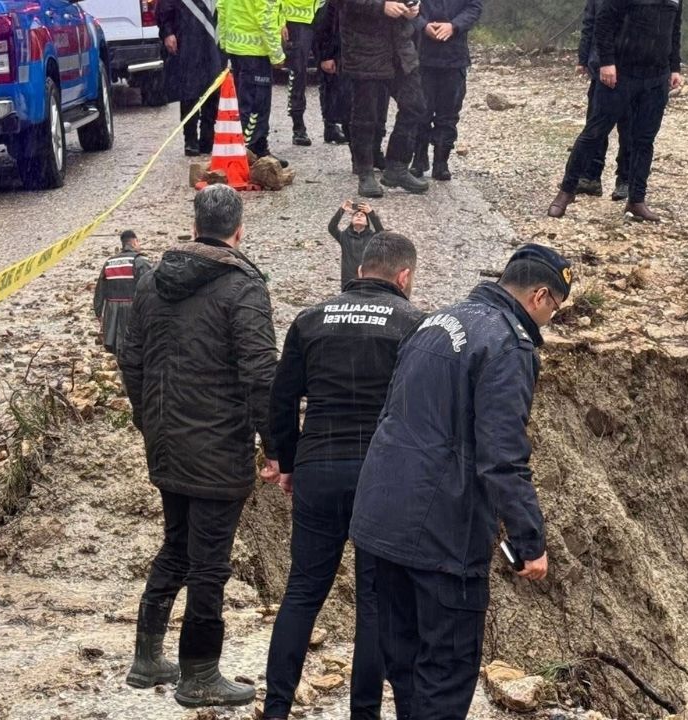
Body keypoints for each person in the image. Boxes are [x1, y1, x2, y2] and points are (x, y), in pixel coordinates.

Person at [350, 244, 572, 720]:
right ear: (539, 295)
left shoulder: (434, 321)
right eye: (555, 307)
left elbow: (394, 411)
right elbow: (501, 455)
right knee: (446, 670)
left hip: (379, 516)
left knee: (405, 663)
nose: (550, 319)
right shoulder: (509, 344)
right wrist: (529, 538)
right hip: (442, 534)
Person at [118, 184, 278, 708]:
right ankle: (200, 673)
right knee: (209, 562)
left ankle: (147, 655)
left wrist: (148, 420)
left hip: (167, 440)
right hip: (217, 446)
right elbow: (260, 374)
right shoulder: (243, 286)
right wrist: (276, 443)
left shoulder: (152, 280)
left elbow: (131, 356)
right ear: (239, 229)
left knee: (178, 545)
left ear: (193, 226)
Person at [260, 232, 424, 720]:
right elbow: (420, 409)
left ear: (359, 272)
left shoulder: (311, 320)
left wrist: (286, 462)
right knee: (374, 601)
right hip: (381, 476)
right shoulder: (413, 323)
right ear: (404, 277)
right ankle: (364, 714)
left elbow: (282, 398)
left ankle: (275, 709)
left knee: (304, 590)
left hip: (318, 466)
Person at [548, 0, 683, 222]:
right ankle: (566, 191)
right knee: (594, 133)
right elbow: (603, 23)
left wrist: (675, 67)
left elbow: (674, 30)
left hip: (656, 77)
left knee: (644, 140)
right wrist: (606, 62)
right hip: (619, 75)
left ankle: (636, 200)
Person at [339, 0, 428, 198]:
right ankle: (365, 172)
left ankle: (397, 166)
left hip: (401, 48)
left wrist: (413, 7)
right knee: (366, 114)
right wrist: (381, 6)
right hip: (365, 48)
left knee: (415, 105)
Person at [410, 0, 482, 182]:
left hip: (455, 57)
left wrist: (454, 26)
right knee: (421, 111)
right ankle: (418, 159)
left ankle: (441, 163)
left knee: (448, 114)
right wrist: (423, 26)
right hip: (423, 56)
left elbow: (474, 8)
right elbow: (409, 9)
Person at [218, 0, 289, 166]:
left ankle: (248, 149)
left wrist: (224, 42)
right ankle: (253, 152)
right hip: (256, 51)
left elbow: (221, 7)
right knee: (257, 105)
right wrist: (277, 55)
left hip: (237, 48)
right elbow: (266, 19)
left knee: (244, 102)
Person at [574, 0, 630, 201]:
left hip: (633, 66)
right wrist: (582, 58)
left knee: (629, 126)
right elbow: (590, 22)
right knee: (596, 125)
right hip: (601, 67)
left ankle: (625, 180)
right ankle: (590, 177)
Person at [158, 0, 223, 156]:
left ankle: (207, 138)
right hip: (186, 34)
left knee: (214, 85)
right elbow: (165, 6)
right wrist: (167, 32)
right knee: (189, 88)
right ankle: (190, 139)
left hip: (216, 36)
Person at [94, 230, 153, 356]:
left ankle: (122, 371)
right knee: (136, 347)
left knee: (117, 349)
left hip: (112, 312)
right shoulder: (140, 261)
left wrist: (99, 313)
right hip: (133, 310)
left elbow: (99, 291)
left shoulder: (109, 263)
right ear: (135, 242)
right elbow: (151, 288)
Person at [282, 0, 319, 147]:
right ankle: (298, 126)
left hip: (322, 13)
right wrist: (281, 21)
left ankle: (331, 125)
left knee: (330, 67)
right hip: (296, 18)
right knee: (298, 72)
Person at [312, 0, 349, 145]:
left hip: (345, 50)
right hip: (332, 51)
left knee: (342, 90)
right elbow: (322, 27)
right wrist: (325, 56)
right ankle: (330, 126)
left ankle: (339, 126)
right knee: (331, 88)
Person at [327, 199, 383, 290]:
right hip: (348, 281)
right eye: (356, 215)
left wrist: (371, 213)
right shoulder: (344, 236)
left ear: (366, 222)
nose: (359, 216)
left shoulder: (373, 237)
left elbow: (382, 233)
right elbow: (332, 227)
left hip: (368, 280)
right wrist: (342, 210)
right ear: (352, 221)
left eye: (362, 215)